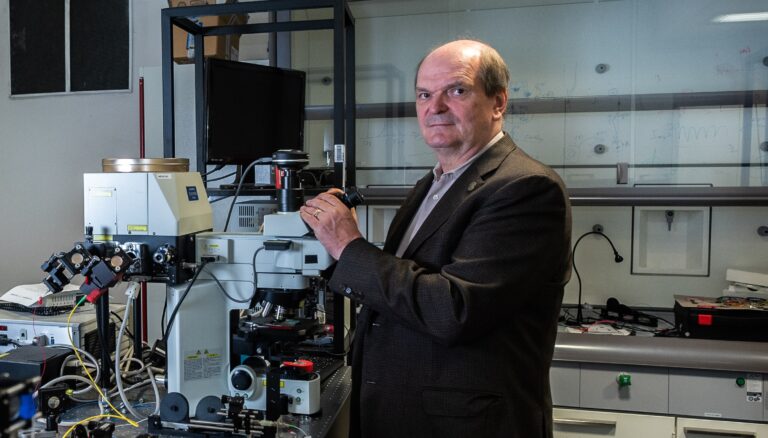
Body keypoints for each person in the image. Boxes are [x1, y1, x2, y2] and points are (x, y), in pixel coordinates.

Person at [300, 39, 572, 438]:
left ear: (498, 103)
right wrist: (331, 247)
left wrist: (349, 247)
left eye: (456, 91)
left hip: (466, 426)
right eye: (424, 94)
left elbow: (454, 309)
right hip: (400, 414)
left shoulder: (526, 188)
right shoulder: (432, 185)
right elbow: (403, 283)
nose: (435, 107)